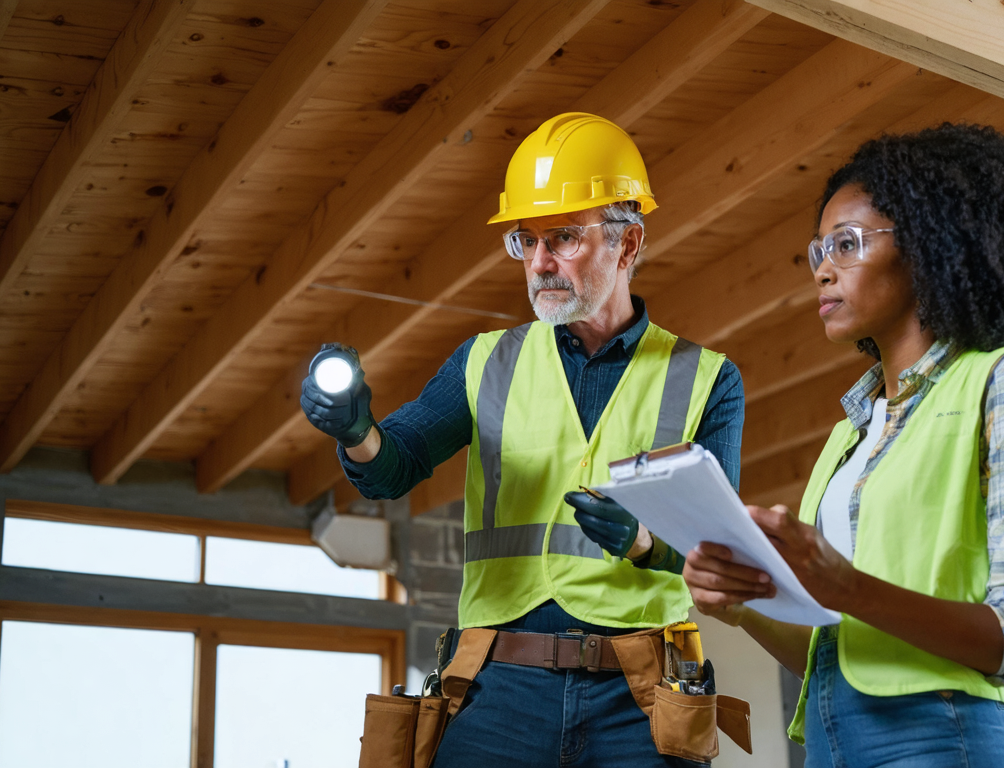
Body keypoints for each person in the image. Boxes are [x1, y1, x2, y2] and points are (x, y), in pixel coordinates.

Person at [300, 113, 744, 767]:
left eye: (563, 237)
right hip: (497, 692)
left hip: (641, 701)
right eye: (525, 240)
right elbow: (394, 466)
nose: (540, 262)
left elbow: (724, 558)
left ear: (628, 245)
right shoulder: (485, 362)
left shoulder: (707, 379)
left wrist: (647, 542)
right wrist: (357, 430)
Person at [681, 123, 1004, 767]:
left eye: (847, 245)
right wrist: (743, 607)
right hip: (834, 746)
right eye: (818, 249)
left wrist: (843, 585)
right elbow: (836, 653)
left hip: (949, 742)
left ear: (930, 245)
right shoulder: (850, 434)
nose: (822, 269)